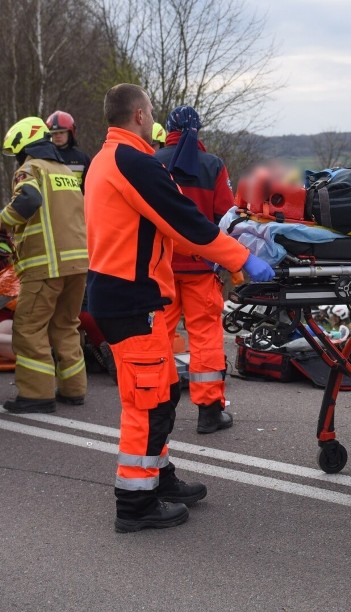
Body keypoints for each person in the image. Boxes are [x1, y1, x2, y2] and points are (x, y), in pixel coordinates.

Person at [85, 83, 274, 533]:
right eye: (148, 109)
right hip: (132, 298)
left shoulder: (104, 159)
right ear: (137, 115)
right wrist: (243, 259)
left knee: (163, 389)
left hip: (121, 294)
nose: (152, 117)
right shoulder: (132, 162)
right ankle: (135, 504)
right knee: (147, 402)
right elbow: (186, 223)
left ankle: (158, 477)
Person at [155, 106, 236, 434]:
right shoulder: (213, 165)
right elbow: (227, 217)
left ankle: (159, 404)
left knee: (159, 336)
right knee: (205, 338)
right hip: (202, 266)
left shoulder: (152, 161)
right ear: (198, 130)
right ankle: (209, 412)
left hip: (161, 266)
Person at [0, 117, 89, 414]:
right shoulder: (65, 171)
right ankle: (73, 389)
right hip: (77, 264)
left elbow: (28, 200)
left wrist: (2, 222)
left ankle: (36, 395)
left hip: (46, 265)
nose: (18, 162)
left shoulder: (31, 169)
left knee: (28, 327)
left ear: (26, 147)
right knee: (65, 325)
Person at [45, 110, 91, 191]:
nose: (58, 136)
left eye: (62, 132)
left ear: (70, 133)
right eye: (54, 133)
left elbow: (89, 189)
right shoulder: (44, 157)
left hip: (77, 203)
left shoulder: (82, 159)